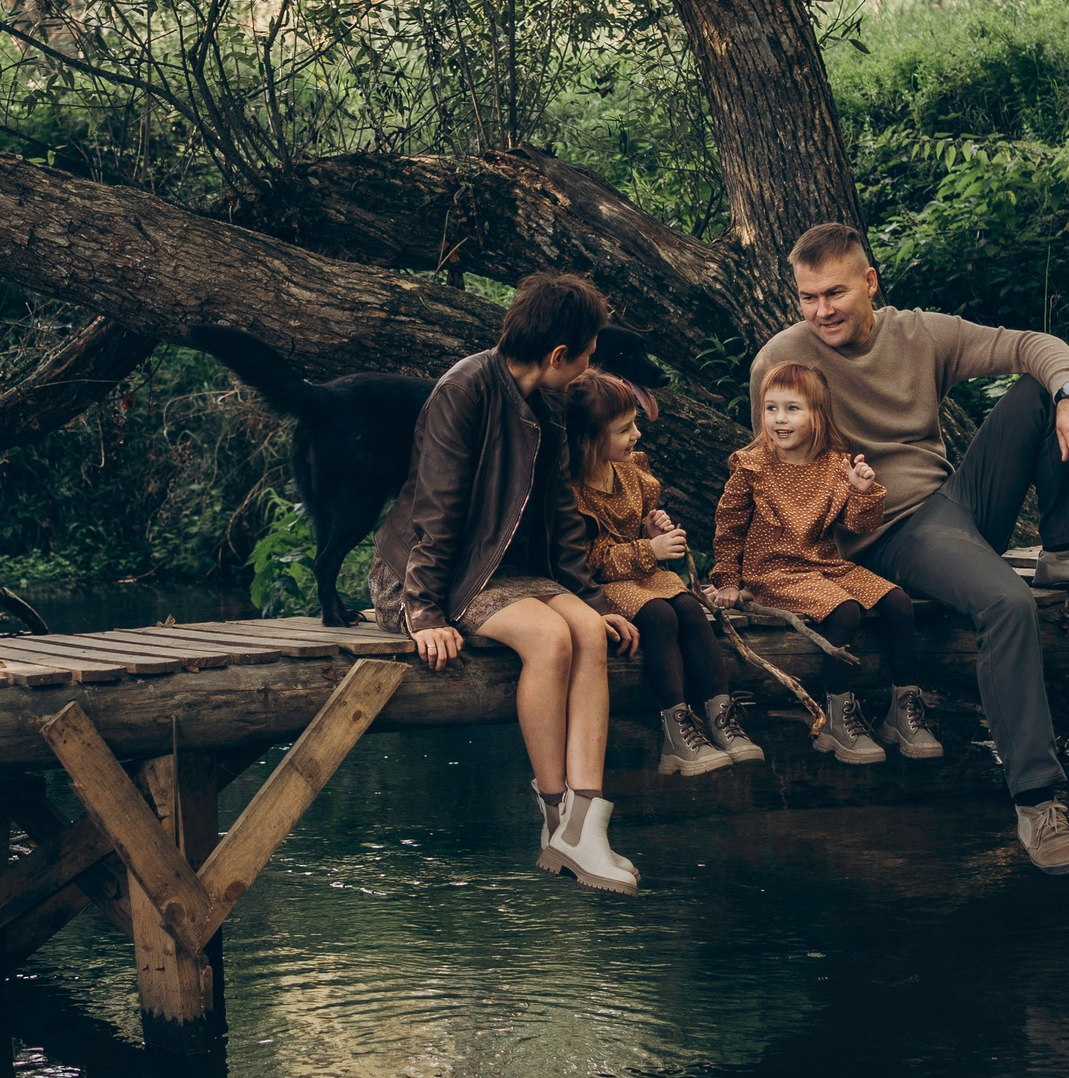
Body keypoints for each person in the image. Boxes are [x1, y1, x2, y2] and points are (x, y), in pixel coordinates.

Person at [748, 222, 1069, 874]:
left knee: (1038, 389)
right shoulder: (783, 361)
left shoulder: (919, 333)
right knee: (1006, 600)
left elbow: (1032, 342)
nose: (821, 310)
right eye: (807, 297)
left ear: (869, 283)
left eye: (834, 293)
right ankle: (1037, 803)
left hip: (952, 508)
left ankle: (1068, 547)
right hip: (886, 532)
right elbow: (779, 487)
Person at [369, 272, 643, 895]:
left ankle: (583, 828)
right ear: (557, 356)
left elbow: (562, 513)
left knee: (588, 635)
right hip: (432, 573)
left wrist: (593, 601)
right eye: (587, 355)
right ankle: (554, 817)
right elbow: (436, 512)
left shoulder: (549, 403)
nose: (589, 366)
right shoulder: (462, 390)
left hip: (510, 571)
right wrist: (425, 613)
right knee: (550, 640)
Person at [708, 362, 938, 766]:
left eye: (793, 408)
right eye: (771, 408)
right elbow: (729, 525)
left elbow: (858, 524)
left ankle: (903, 709)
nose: (780, 419)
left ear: (818, 414)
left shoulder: (836, 465)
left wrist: (862, 492)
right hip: (773, 572)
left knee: (899, 603)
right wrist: (728, 580)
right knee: (845, 609)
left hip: (826, 566)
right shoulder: (752, 465)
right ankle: (837, 717)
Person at [561, 369, 755, 778]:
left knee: (689, 609)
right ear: (588, 439)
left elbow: (632, 527)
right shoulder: (572, 491)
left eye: (633, 424)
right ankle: (677, 730)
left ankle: (721, 717)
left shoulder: (631, 469)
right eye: (623, 429)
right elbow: (586, 561)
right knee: (660, 616)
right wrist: (648, 549)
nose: (637, 436)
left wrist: (649, 531)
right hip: (600, 588)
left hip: (643, 573)